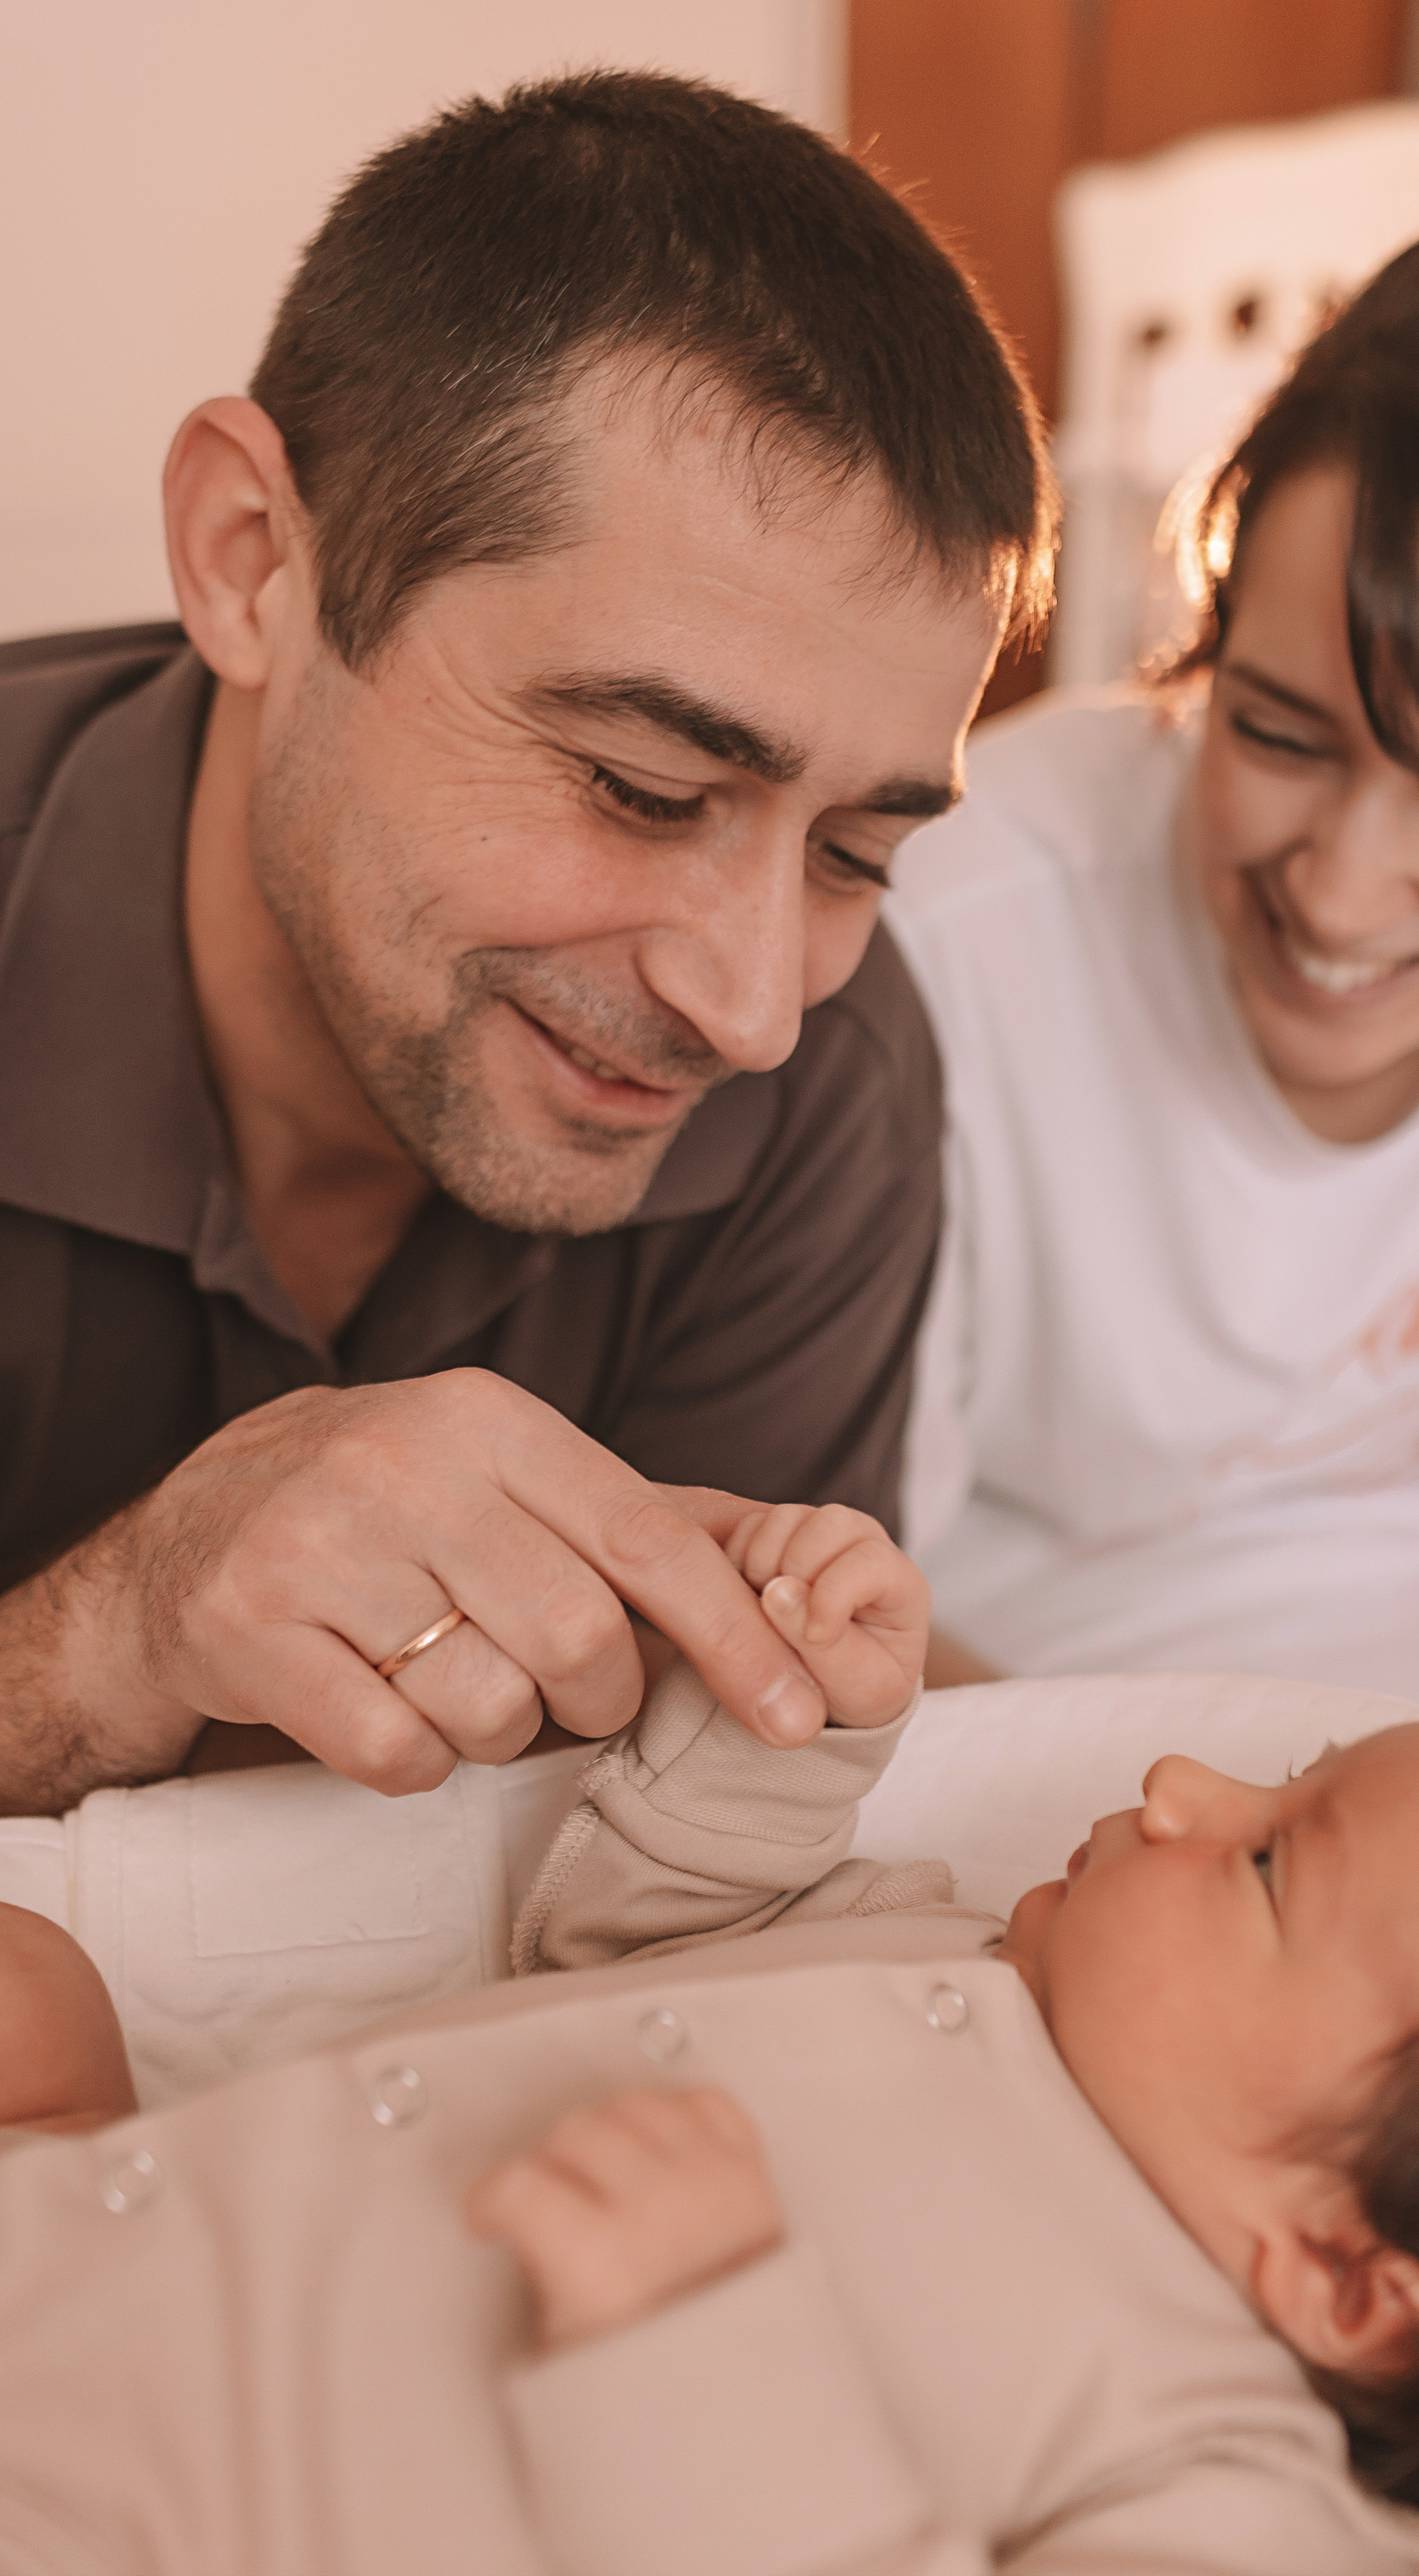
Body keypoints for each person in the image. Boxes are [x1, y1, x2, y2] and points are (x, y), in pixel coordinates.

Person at [0, 70, 1052, 1817]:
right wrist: (110, 1638)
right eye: (643, 789)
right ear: (254, 561)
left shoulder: (829, 1088)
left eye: (859, 851)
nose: (753, 1007)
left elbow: (666, 1852)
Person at [3, 1502, 1419, 2572]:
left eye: (1269, 1861)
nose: (1182, 1786)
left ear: (1347, 2274)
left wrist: (703, 2346)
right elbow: (603, 1955)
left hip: (180, 2517)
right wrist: (788, 1737)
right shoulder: (948, 1955)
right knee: (31, 1985)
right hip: (117, 2227)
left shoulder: (1216, 2469)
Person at [891, 213, 1419, 1773]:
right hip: (1036, 1736)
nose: (1335, 892)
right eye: (1271, 732)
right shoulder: (953, 933)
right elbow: (829, 1609)